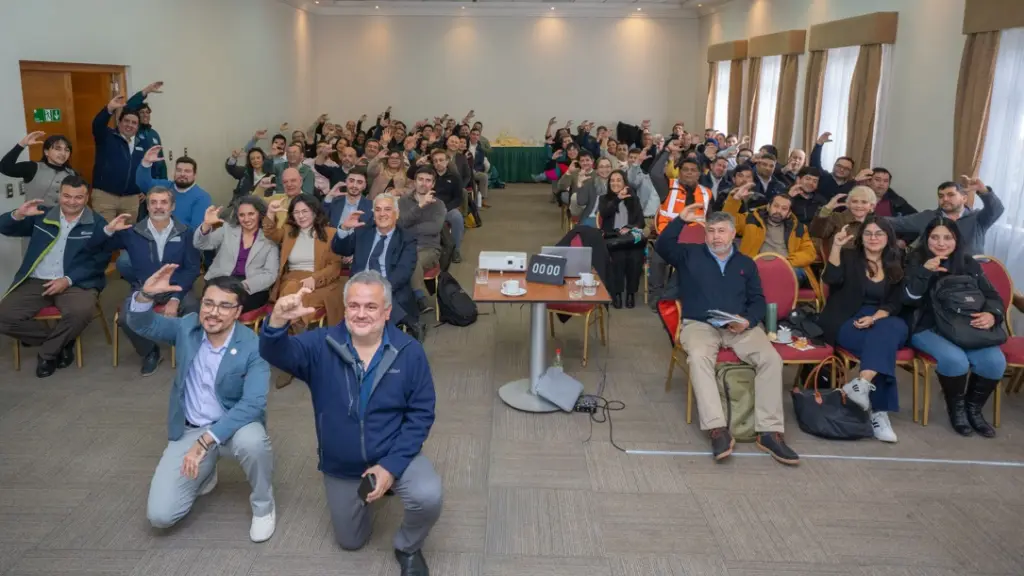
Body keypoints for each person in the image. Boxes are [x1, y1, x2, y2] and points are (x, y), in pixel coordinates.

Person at [259, 270, 440, 576]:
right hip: (342, 463)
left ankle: (407, 546)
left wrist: (390, 467)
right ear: (345, 309)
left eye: (371, 307)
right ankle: (370, 491)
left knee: (428, 496)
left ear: (387, 312)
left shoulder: (409, 353)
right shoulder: (321, 345)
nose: (361, 314)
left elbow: (421, 414)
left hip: (393, 451)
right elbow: (274, 353)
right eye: (354, 305)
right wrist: (277, 322)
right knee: (350, 542)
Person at [125, 266, 275, 542]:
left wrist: (206, 441)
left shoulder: (254, 346)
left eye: (224, 306)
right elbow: (141, 323)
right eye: (208, 303)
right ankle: (207, 472)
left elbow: (253, 403)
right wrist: (145, 295)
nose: (213, 312)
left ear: (238, 312)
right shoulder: (187, 327)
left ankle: (264, 506)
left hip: (233, 425)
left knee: (253, 443)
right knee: (161, 515)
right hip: (191, 428)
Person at [654, 207, 798, 466]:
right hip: (700, 324)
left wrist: (748, 321)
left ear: (733, 234)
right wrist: (680, 220)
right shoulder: (689, 254)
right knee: (699, 358)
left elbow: (758, 300)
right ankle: (717, 428)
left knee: (771, 359)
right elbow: (663, 246)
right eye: (710, 231)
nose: (716, 236)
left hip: (738, 327)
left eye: (721, 231)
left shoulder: (746, 264)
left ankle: (769, 432)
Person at [903, 217, 1006, 438]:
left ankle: (973, 410)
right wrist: (924, 272)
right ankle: (957, 411)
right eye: (935, 237)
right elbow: (908, 299)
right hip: (927, 327)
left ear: (956, 239)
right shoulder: (914, 260)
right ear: (926, 239)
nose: (941, 243)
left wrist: (992, 315)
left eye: (947, 237)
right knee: (955, 360)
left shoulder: (968, 262)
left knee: (994, 362)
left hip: (967, 325)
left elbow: (992, 296)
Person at [0, 177, 109, 377]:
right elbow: (4, 227)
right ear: (59, 194)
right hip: (36, 280)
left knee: (80, 312)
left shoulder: (97, 224)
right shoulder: (42, 215)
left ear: (87, 197)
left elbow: (98, 261)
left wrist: (67, 280)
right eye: (67, 196)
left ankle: (47, 354)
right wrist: (18, 214)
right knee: (3, 316)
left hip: (75, 282)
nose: (72, 202)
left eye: (78, 197)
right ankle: (60, 343)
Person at [817, 217, 908, 442]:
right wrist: (836, 246)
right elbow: (831, 278)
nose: (873, 238)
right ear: (861, 237)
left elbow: (897, 301)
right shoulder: (849, 257)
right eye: (868, 233)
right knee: (882, 346)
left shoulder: (896, 261)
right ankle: (879, 414)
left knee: (886, 332)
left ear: (888, 238)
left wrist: (875, 317)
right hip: (848, 319)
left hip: (884, 318)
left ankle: (862, 384)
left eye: (879, 233)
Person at [102, 187, 201, 375]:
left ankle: (189, 351)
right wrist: (109, 230)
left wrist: (176, 299)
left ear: (172, 207)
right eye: (153, 202)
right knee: (126, 318)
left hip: (176, 287)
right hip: (144, 288)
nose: (158, 207)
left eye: (164, 202)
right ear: (147, 206)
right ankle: (149, 351)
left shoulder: (187, 233)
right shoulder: (132, 232)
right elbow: (98, 247)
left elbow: (192, 269)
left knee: (192, 309)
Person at [333, 193, 421, 340]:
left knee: (377, 303)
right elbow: (341, 249)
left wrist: (379, 290)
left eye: (387, 209)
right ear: (373, 214)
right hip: (360, 286)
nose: (382, 214)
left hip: (391, 287)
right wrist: (344, 228)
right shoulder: (363, 231)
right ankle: (405, 321)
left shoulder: (406, 238)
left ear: (396, 214)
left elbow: (404, 271)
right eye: (378, 210)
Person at [263, 193, 344, 330]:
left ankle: (283, 331)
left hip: (320, 282)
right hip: (292, 280)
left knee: (299, 297)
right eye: (296, 212)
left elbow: (335, 265)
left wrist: (315, 278)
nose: (301, 216)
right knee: (293, 289)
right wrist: (271, 212)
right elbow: (270, 232)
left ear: (314, 212)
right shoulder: (288, 231)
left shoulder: (331, 233)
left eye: (305, 211)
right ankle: (296, 333)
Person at [722, 183, 819, 290]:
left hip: (787, 268)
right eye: (776, 206)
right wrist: (734, 200)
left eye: (784, 208)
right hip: (756, 267)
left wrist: (787, 262)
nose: (778, 211)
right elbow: (727, 223)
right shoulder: (751, 220)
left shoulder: (799, 228)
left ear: (789, 213)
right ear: (768, 207)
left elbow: (809, 252)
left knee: (792, 274)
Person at [194, 198, 280, 313]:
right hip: (221, 281)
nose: (246, 219)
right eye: (242, 215)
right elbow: (201, 244)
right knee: (215, 303)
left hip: (251, 287)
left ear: (260, 214)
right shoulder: (227, 229)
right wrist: (206, 225)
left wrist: (243, 286)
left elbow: (270, 274)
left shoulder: (270, 238)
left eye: (251, 214)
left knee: (227, 306)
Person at [887, 178, 1003, 255]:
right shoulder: (928, 217)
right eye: (941, 196)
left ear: (964, 198)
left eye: (951, 195)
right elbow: (897, 223)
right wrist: (873, 215)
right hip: (933, 272)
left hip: (968, 275)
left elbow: (996, 209)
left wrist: (983, 191)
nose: (945, 199)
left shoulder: (977, 218)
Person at [91, 92, 147, 222]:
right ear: (119, 122)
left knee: (128, 233)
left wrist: (145, 190)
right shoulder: (106, 136)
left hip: (131, 200)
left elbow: (147, 169)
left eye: (134, 123)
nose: (129, 125)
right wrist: (109, 109)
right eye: (126, 121)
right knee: (104, 232)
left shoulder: (142, 144)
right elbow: (97, 124)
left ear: (138, 127)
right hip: (105, 197)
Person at [398, 167, 447, 316]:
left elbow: (434, 228)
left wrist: (409, 226)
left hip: (429, 248)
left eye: (428, 180)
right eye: (420, 179)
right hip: (404, 246)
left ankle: (419, 297)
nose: (423, 183)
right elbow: (400, 225)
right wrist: (420, 207)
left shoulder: (439, 204)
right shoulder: (403, 201)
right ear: (414, 182)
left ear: (433, 184)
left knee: (413, 260)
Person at [599, 170, 646, 309]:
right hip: (613, 238)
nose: (615, 183)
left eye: (618, 180)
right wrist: (618, 199)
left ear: (625, 183)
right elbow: (604, 213)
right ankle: (617, 293)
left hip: (630, 238)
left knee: (635, 258)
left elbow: (641, 222)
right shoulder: (604, 199)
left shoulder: (634, 199)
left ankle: (631, 293)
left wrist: (629, 228)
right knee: (618, 259)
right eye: (612, 180)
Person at [136, 145, 212, 230]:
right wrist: (146, 163)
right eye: (179, 170)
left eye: (187, 171)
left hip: (181, 236)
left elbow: (195, 229)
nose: (182, 174)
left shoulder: (202, 197)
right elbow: (143, 184)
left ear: (195, 175)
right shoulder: (165, 186)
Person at [1, 131, 78, 206]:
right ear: (46, 152)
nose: (63, 153)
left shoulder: (72, 173)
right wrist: (22, 144)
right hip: (33, 214)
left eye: (67, 150)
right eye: (58, 149)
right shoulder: (33, 168)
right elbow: (4, 167)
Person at [810, 185, 877, 254]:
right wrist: (827, 209)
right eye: (854, 201)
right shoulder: (836, 218)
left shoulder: (877, 222)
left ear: (871, 206)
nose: (859, 206)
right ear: (848, 203)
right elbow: (817, 233)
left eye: (864, 202)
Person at [425, 148, 465, 264]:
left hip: (447, 208)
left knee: (457, 217)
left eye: (441, 160)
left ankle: (455, 250)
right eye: (435, 161)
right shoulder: (428, 177)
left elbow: (458, 198)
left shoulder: (454, 177)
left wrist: (445, 208)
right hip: (429, 207)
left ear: (447, 161)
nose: (438, 163)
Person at [808, 132, 858, 201]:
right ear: (834, 165)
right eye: (839, 166)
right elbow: (815, 162)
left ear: (850, 171)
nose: (842, 170)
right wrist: (819, 144)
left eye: (846, 168)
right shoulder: (823, 176)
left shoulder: (851, 185)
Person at [574, 156, 614, 228]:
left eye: (607, 166)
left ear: (611, 169)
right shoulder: (590, 182)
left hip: (611, 219)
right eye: (601, 167)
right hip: (592, 216)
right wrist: (580, 183)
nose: (604, 169)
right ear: (597, 170)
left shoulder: (616, 184)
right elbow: (581, 202)